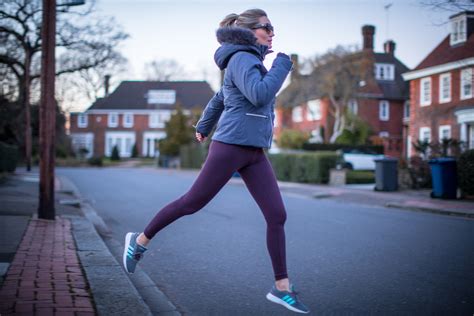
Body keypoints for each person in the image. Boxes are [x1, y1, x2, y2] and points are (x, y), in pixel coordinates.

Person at [123, 8, 310, 314]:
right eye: (267, 27)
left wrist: (203, 125)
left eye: (273, 27)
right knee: (192, 202)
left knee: (277, 215)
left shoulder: (250, 59)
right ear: (251, 32)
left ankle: (282, 288)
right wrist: (283, 66)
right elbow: (260, 95)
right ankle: (139, 241)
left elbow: (222, 97)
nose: (272, 32)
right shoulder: (242, 58)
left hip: (254, 150)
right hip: (231, 146)